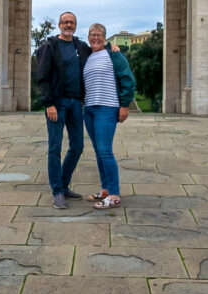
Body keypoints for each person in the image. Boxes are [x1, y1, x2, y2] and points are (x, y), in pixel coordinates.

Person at [35, 11, 90, 209]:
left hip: (76, 103)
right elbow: (42, 76)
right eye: (65, 22)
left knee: (77, 146)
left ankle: (64, 184)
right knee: (55, 148)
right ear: (59, 25)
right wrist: (48, 103)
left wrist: (113, 48)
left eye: (72, 22)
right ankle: (57, 191)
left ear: (75, 25)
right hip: (57, 104)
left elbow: (98, 53)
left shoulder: (81, 47)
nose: (68, 25)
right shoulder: (49, 47)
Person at [83, 23, 136, 211]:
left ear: (104, 37)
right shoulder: (87, 57)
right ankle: (105, 189)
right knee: (98, 151)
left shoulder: (114, 54)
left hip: (107, 108)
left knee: (105, 151)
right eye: (92, 34)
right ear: (88, 37)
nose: (95, 37)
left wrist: (124, 105)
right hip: (89, 109)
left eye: (98, 34)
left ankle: (114, 195)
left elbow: (127, 79)